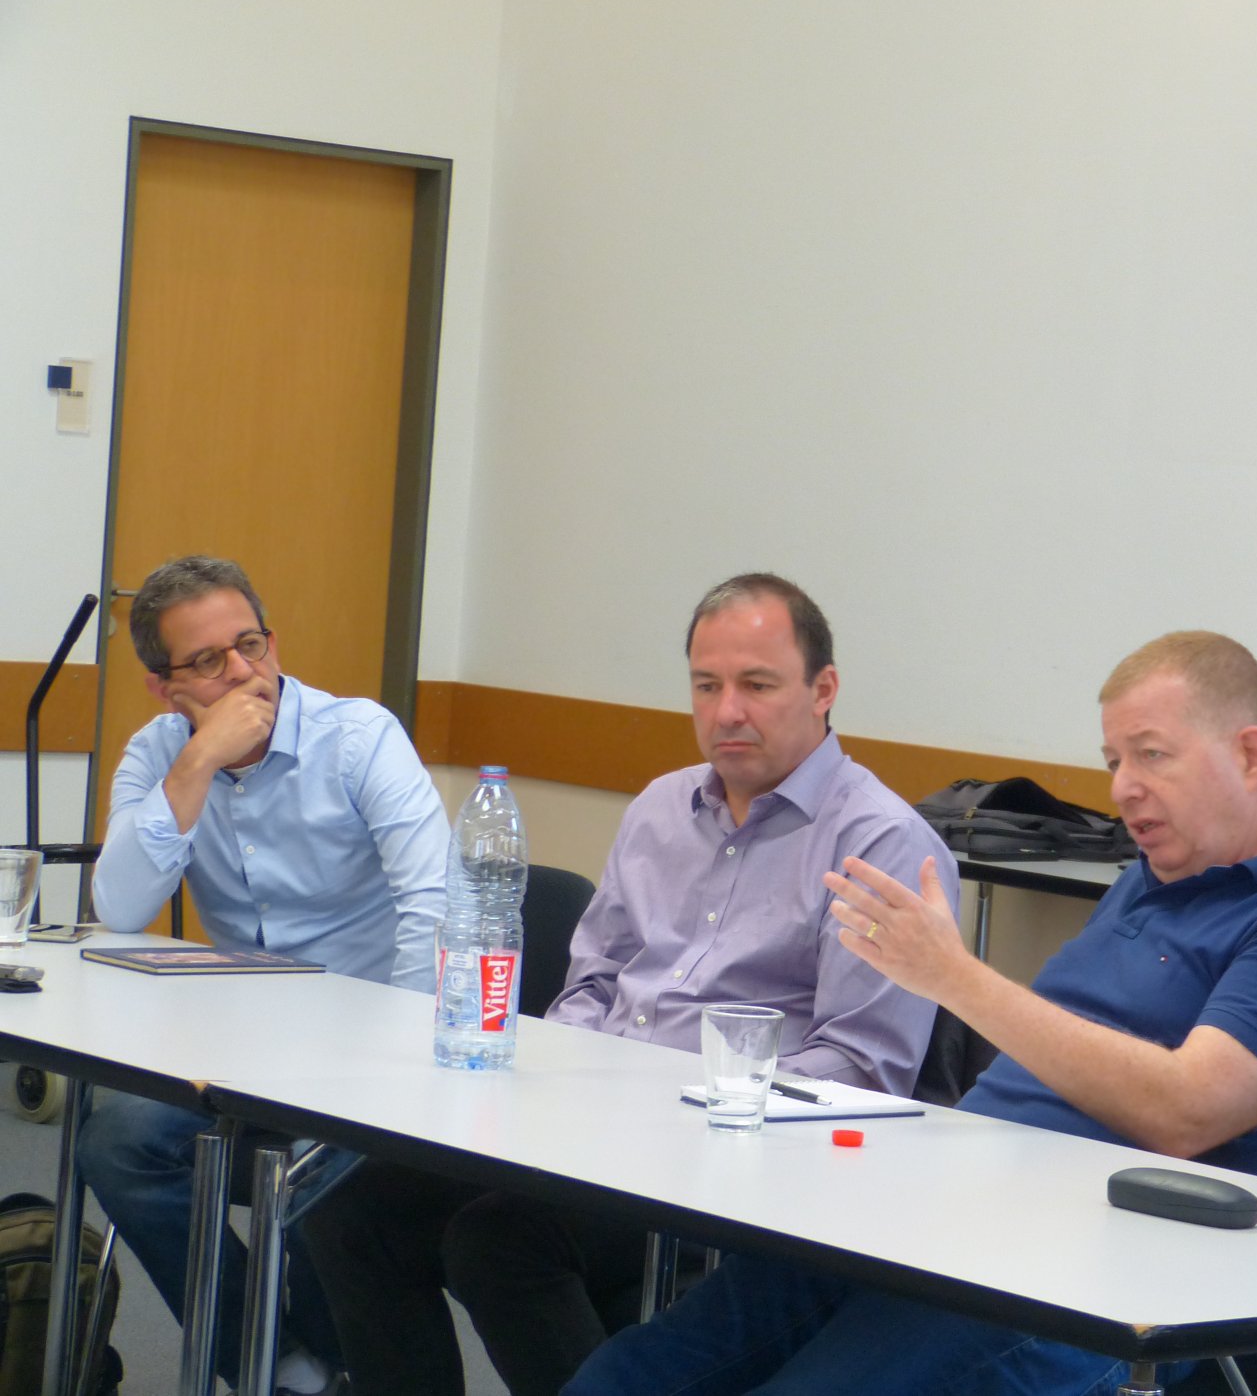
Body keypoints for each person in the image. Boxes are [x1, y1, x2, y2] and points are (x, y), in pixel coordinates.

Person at [562, 629, 1257, 1396]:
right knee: (625, 1378)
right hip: (942, 1216)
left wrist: (954, 977)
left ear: (1250, 756)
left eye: (1151, 756)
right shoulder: (1149, 884)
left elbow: (1187, 1108)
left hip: (1080, 1279)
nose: (1123, 789)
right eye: (1113, 760)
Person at [301, 573, 958, 1396]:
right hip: (590, 1130)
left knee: (502, 1243)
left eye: (757, 686)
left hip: (735, 1162)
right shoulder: (660, 808)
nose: (727, 712)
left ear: (823, 690)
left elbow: (864, 1067)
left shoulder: (883, 842)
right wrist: (570, 1074)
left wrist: (681, 1097)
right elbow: (592, 983)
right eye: (707, 686)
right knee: (349, 1211)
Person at [80, 553, 450, 1396]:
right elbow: (121, 907)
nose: (245, 672)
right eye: (208, 661)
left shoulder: (359, 738)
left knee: (322, 1177)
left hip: (365, 1042)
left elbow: (434, 904)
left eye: (251, 644)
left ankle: (326, 1365)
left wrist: (400, 1062)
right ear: (164, 687)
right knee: (115, 1141)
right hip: (238, 1040)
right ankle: (280, 1363)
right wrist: (196, 764)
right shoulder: (159, 753)